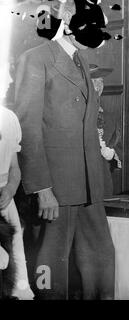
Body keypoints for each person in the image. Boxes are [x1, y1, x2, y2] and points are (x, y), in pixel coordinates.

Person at [12, 0, 115, 299]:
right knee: (50, 271)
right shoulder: (36, 58)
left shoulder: (82, 60)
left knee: (100, 261)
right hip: (55, 187)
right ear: (68, 19)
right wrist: (42, 188)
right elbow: (27, 127)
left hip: (88, 186)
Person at [0, 66, 34, 300]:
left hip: (5, 201)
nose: (10, 80)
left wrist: (10, 190)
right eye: (4, 75)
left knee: (15, 260)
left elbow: (14, 167)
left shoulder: (9, 118)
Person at [90, 64, 122, 197]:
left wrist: (112, 151)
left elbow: (117, 140)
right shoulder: (74, 113)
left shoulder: (109, 116)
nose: (99, 86)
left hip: (104, 176)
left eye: (101, 81)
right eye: (94, 81)